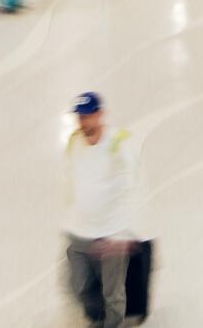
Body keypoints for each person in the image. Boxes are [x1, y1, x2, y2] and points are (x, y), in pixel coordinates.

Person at [63, 92, 143, 328]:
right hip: (80, 229)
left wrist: (122, 233)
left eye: (88, 116)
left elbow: (131, 189)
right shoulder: (74, 141)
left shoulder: (119, 144)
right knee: (77, 285)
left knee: (113, 291)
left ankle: (110, 324)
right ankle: (96, 318)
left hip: (112, 232)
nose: (83, 122)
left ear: (100, 115)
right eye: (80, 117)